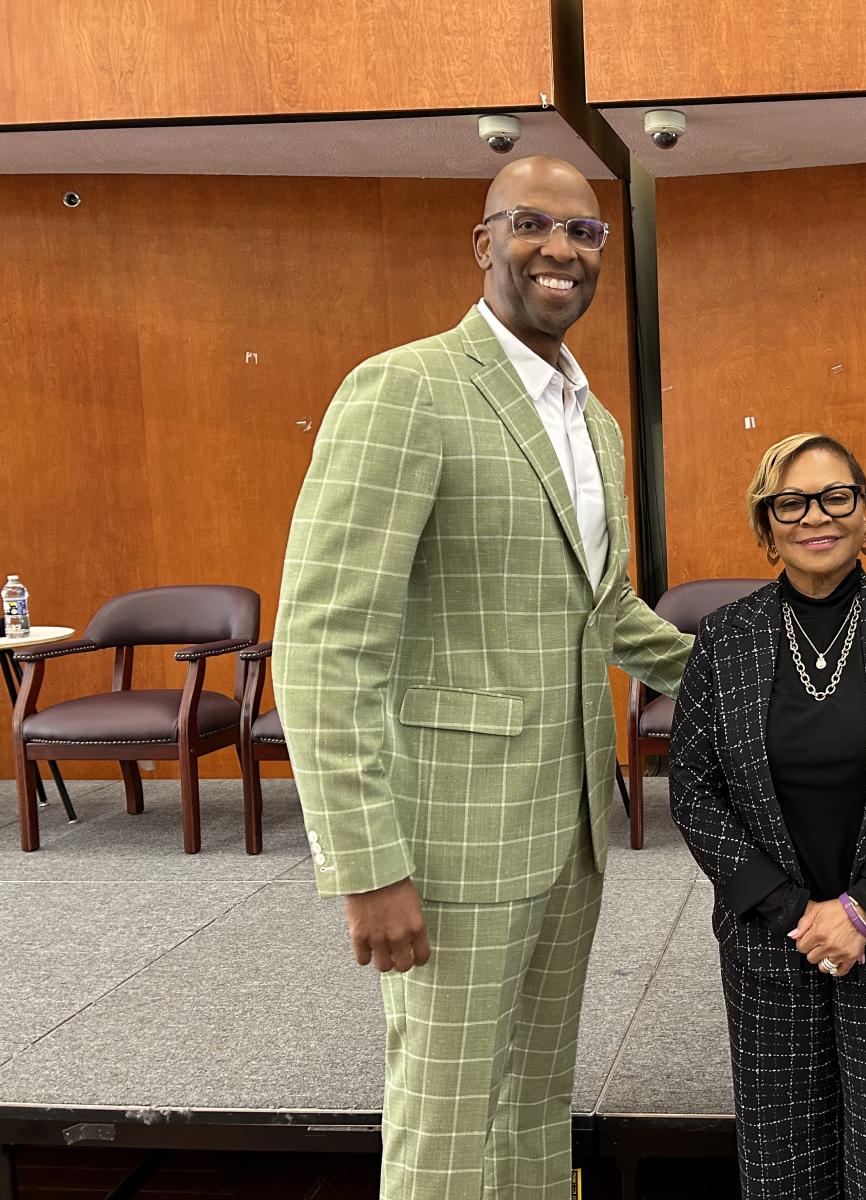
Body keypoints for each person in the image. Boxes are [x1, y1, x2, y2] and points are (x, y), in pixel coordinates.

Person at [274, 155, 693, 1200]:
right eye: (532, 225)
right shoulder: (404, 388)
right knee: (450, 1121)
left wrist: (763, 672)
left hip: (568, 830)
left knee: (534, 1106)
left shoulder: (591, 421)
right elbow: (324, 645)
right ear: (484, 243)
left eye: (584, 234)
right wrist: (366, 866)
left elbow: (606, 608)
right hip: (449, 842)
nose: (560, 250)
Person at [669, 433, 866, 1200]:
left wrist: (864, 907)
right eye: (792, 502)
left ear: (865, 517)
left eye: (837, 496)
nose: (817, 516)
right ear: (767, 527)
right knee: (780, 1172)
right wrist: (793, 913)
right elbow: (692, 790)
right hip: (769, 946)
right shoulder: (725, 636)